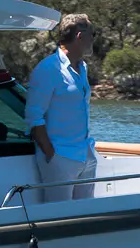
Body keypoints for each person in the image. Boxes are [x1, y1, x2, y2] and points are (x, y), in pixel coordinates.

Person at [27, 13, 97, 202]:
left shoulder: (82, 67)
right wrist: (52, 155)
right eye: (93, 34)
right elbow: (34, 117)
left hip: (85, 155)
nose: (93, 40)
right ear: (80, 36)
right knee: (59, 218)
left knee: (86, 217)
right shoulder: (48, 69)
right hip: (61, 158)